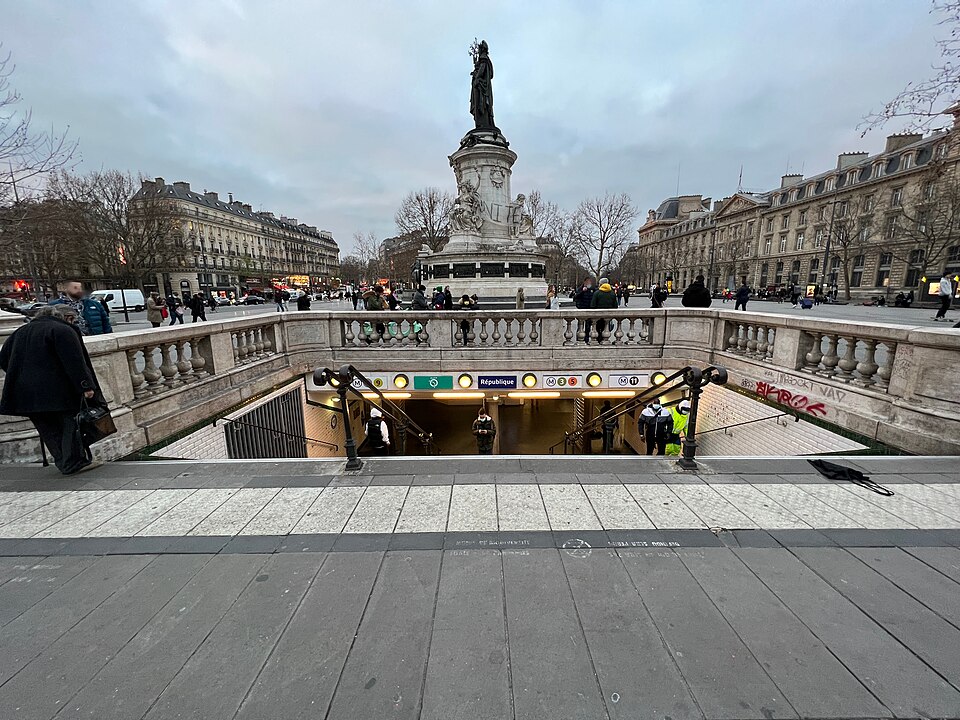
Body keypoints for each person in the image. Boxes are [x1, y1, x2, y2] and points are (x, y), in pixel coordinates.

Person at [0, 305, 104, 475]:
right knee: (70, 424)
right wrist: (85, 386)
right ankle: (74, 462)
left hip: (26, 392)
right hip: (58, 389)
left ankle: (63, 461)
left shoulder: (21, 331)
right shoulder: (62, 330)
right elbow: (74, 362)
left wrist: (22, 376)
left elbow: (4, 359)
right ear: (67, 317)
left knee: (47, 427)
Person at [590, 277, 618, 342]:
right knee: (606, 328)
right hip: (608, 315)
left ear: (601, 284)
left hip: (598, 315)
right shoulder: (612, 293)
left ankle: (598, 340)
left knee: (598, 329)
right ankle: (605, 340)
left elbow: (592, 305)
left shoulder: (597, 293)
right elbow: (615, 306)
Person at [573, 277, 596, 343]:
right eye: (588, 282)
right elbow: (575, 298)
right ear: (585, 282)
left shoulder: (592, 289)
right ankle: (578, 339)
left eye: (590, 282)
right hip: (581, 309)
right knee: (580, 325)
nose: (589, 283)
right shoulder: (580, 289)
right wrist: (582, 291)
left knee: (588, 326)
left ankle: (586, 340)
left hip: (589, 309)